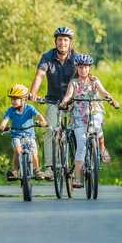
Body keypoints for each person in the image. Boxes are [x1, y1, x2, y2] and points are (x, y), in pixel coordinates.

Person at [59, 53, 119, 189]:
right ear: (77, 68)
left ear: (89, 68)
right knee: (81, 145)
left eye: (86, 67)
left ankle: (102, 149)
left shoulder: (94, 81)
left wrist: (112, 100)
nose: (83, 70)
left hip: (94, 112)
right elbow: (68, 96)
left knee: (97, 128)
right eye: (80, 67)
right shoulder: (73, 83)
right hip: (79, 116)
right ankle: (78, 177)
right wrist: (64, 102)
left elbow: (104, 92)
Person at [28, 26, 77, 180]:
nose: (62, 43)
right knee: (51, 130)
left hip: (74, 100)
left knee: (77, 130)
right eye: (60, 40)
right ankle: (50, 167)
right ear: (55, 41)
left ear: (70, 43)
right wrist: (33, 93)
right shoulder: (47, 57)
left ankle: (77, 165)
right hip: (53, 100)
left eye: (65, 40)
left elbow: (84, 77)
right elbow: (40, 75)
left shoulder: (76, 58)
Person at [0, 84, 48, 181]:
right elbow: (5, 120)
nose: (13, 101)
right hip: (16, 135)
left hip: (29, 135)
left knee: (34, 152)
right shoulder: (11, 110)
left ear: (24, 99)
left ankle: (36, 169)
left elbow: (39, 116)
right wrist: (2, 126)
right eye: (12, 99)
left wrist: (43, 122)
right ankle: (15, 170)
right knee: (17, 150)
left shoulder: (29, 108)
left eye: (15, 99)